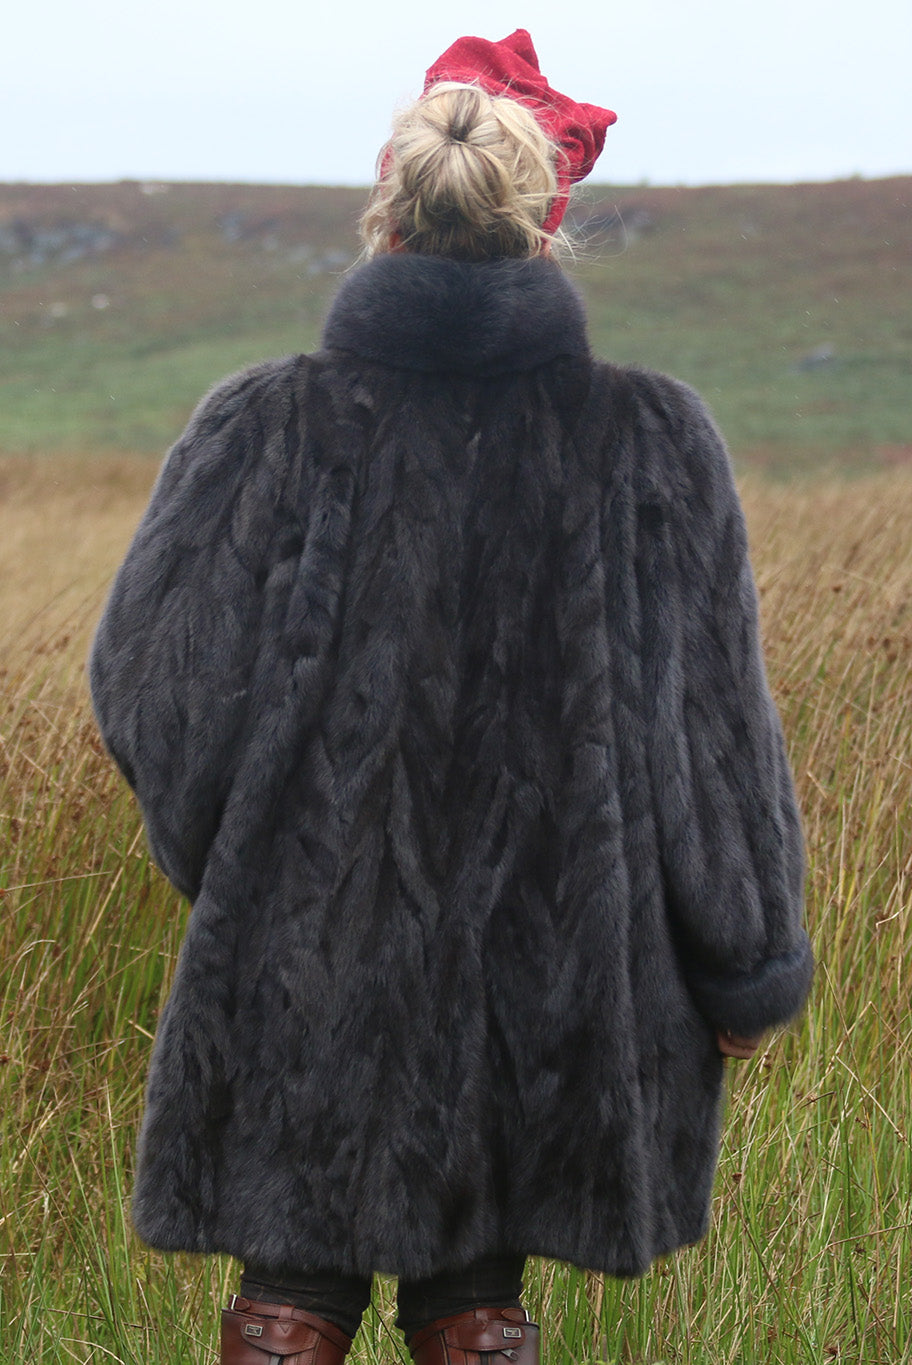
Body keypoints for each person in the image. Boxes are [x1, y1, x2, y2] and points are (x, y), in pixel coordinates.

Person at [89, 30, 814, 1365]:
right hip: (549, 976)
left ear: (389, 215)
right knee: (476, 1301)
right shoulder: (654, 442)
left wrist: (249, 865)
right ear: (549, 225)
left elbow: (149, 682)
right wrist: (746, 964)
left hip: (302, 953)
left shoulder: (263, 423)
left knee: (288, 1292)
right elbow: (707, 740)